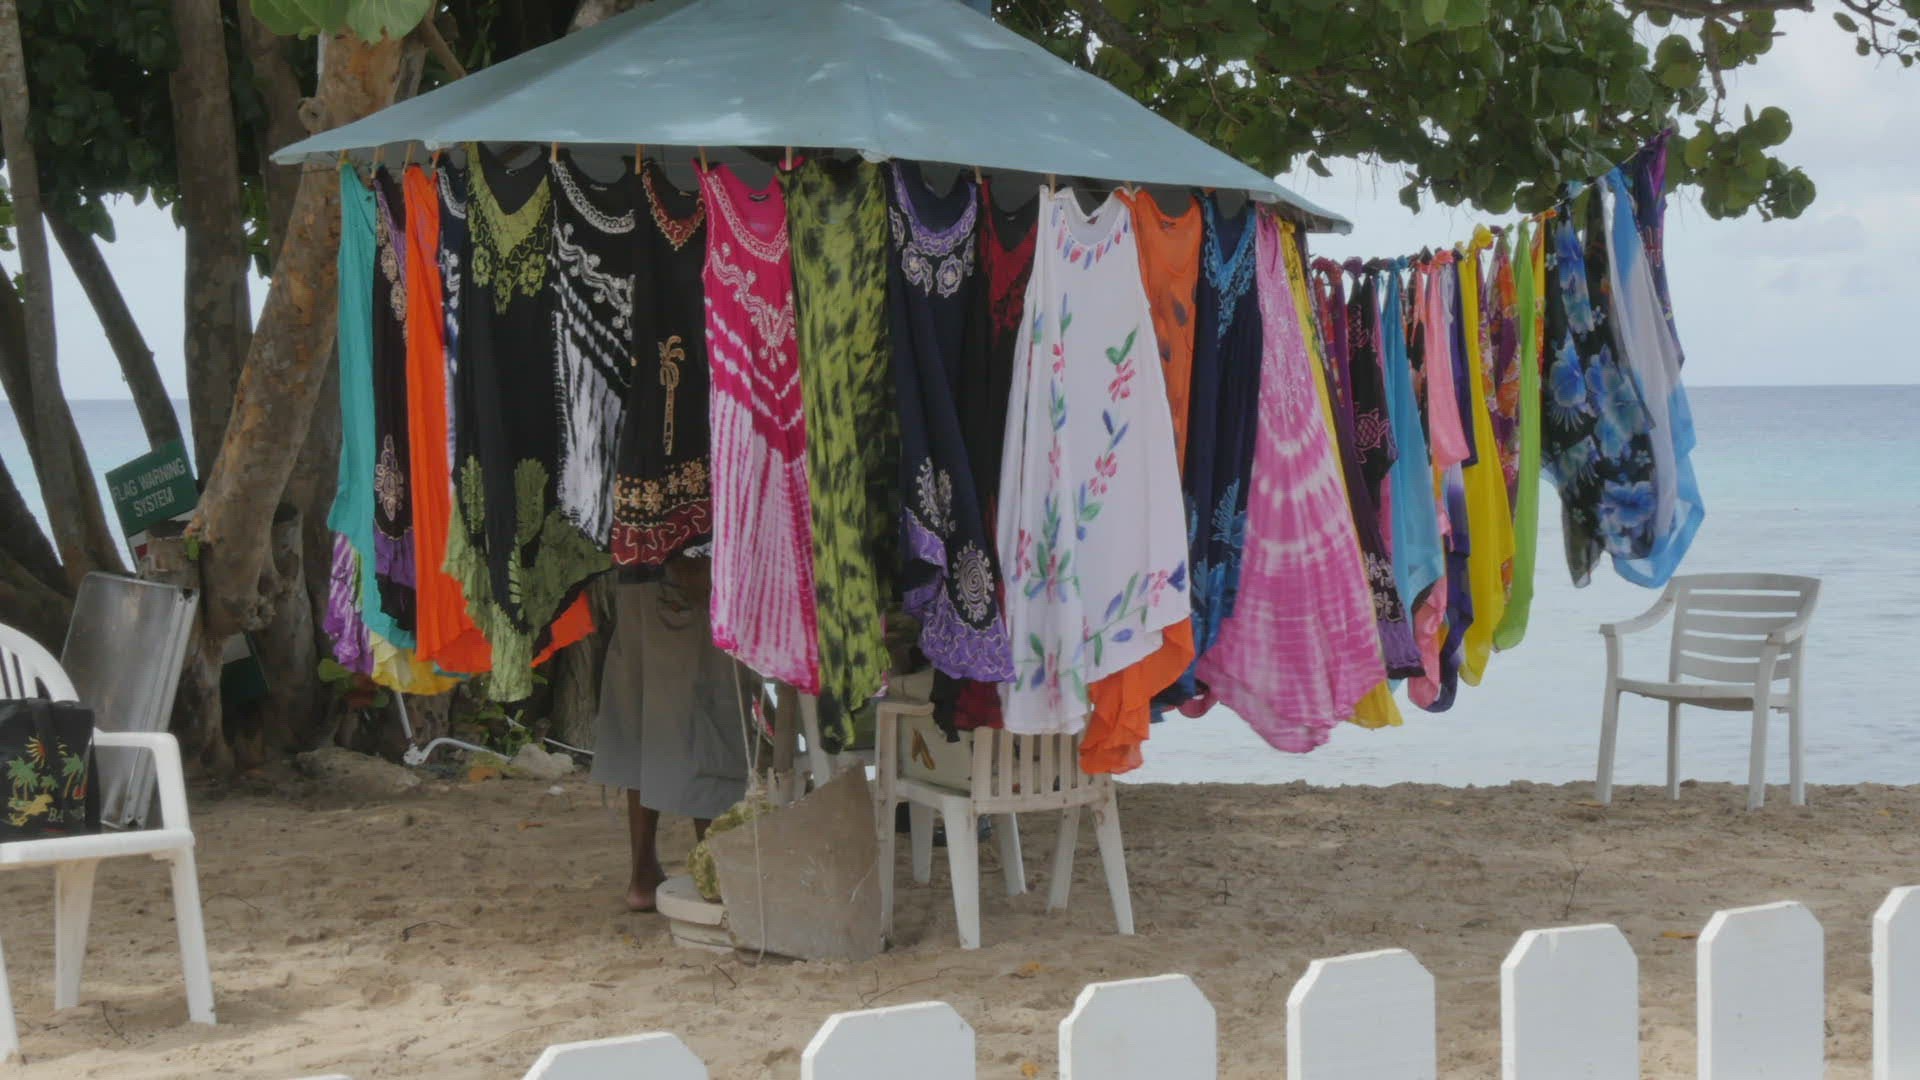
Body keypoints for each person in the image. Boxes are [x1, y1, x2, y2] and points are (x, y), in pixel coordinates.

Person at [592, 557, 752, 911]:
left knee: (643, 718)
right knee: (709, 713)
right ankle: (717, 874)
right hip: (685, 571)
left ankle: (643, 875)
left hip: (637, 570)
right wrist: (694, 562)